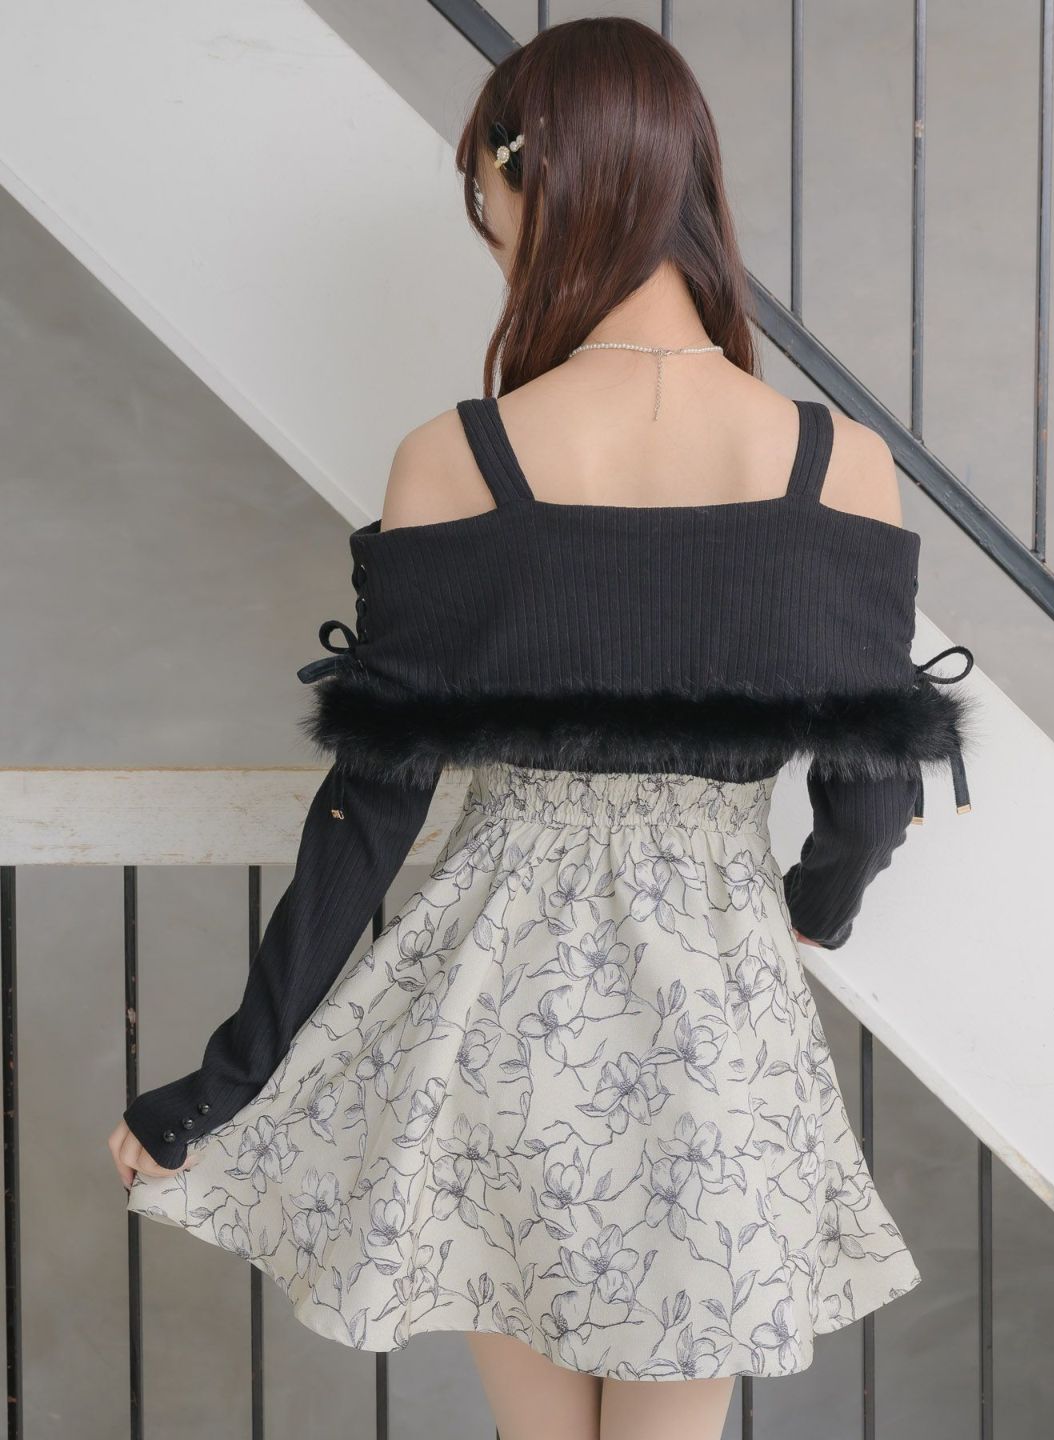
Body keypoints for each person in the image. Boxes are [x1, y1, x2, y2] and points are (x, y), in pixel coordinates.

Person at [109, 16, 977, 1439]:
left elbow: (366, 817)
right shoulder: (837, 465)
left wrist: (217, 1087)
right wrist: (813, 908)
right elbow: (872, 792)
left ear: (538, 180)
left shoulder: (456, 459)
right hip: (713, 1009)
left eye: (488, 193)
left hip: (496, 1007)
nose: (490, 230)